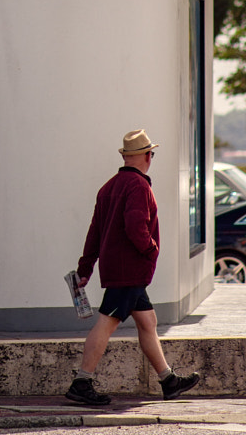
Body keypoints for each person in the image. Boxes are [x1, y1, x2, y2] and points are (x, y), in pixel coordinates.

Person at [66, 129, 201, 405]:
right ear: (147, 157)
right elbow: (135, 226)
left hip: (120, 269)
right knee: (107, 322)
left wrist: (85, 267)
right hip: (129, 270)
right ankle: (82, 381)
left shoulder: (108, 187)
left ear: (126, 157)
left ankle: (168, 380)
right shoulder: (139, 187)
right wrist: (151, 248)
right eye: (151, 153)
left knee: (148, 322)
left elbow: (95, 232)